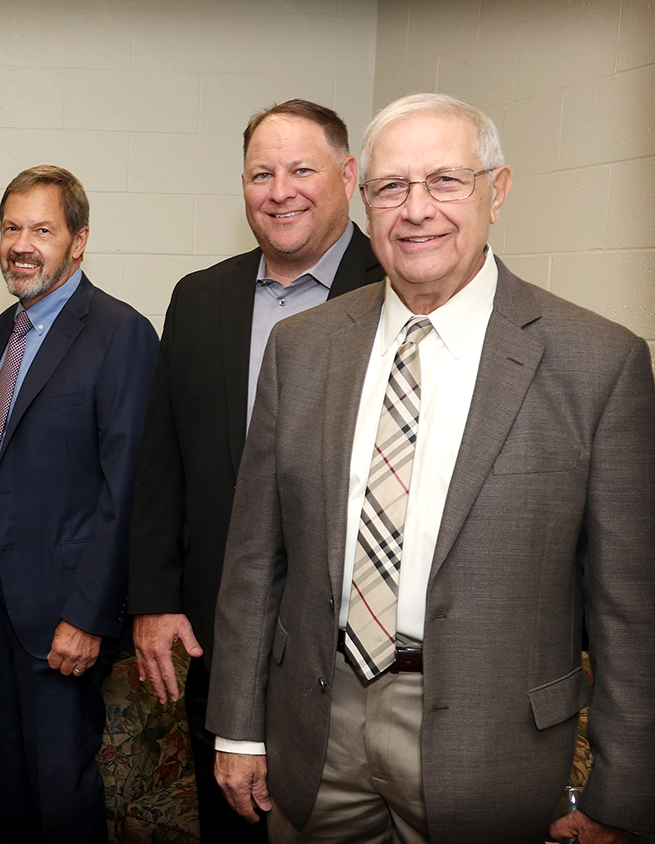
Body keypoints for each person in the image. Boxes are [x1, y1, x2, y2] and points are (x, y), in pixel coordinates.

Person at [208, 93, 655, 844]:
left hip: (495, 743)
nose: (416, 210)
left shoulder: (598, 364)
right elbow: (256, 559)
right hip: (317, 726)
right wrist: (239, 728)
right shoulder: (302, 349)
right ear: (364, 198)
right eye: (391, 187)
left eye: (445, 180)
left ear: (496, 191)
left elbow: (630, 609)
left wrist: (623, 793)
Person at [126, 99, 384, 841]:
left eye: (302, 170)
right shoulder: (199, 298)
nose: (280, 192)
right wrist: (154, 598)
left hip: (350, 652)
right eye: (261, 174)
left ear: (347, 176)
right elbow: (162, 463)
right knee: (231, 823)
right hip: (219, 635)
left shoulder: (397, 287)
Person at [0, 165, 159, 843]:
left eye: (42, 230)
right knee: (7, 783)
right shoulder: (9, 328)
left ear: (79, 240)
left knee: (60, 789)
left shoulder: (119, 333)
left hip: (62, 609)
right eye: (11, 228)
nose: (22, 244)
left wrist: (87, 614)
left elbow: (126, 487)